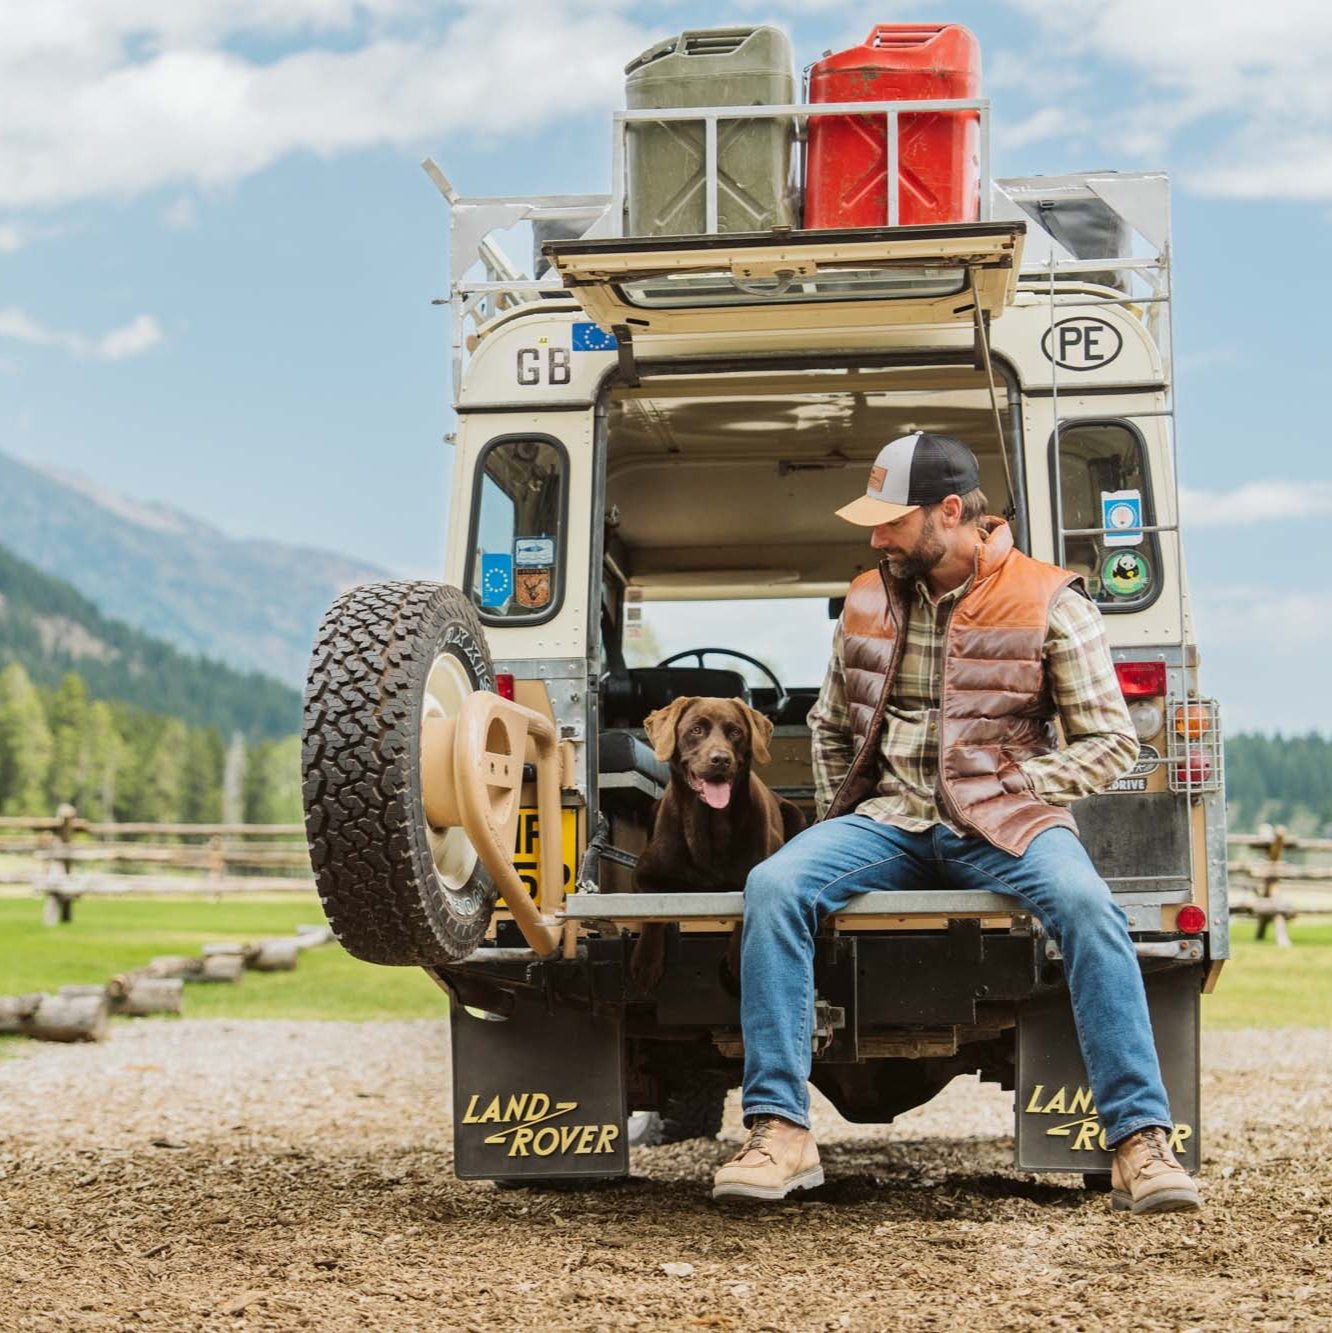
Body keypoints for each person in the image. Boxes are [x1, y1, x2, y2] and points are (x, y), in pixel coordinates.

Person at [712, 432, 1201, 1215]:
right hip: (890, 822)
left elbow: (1111, 740)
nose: (875, 538)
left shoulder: (1050, 599)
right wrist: (843, 809)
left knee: (1088, 909)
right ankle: (780, 1131)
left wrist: (1016, 782)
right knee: (774, 885)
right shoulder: (868, 598)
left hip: (1005, 824)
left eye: (890, 521)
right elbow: (831, 723)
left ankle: (1139, 1142)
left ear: (949, 511)